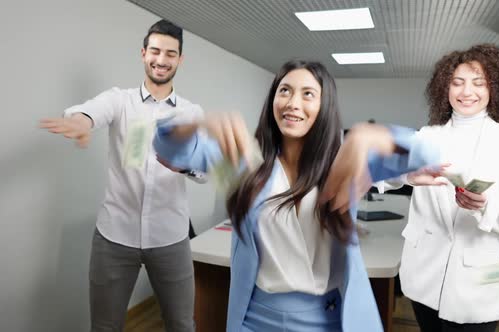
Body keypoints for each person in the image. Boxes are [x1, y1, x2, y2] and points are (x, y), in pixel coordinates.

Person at [153, 59, 439, 331]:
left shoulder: (345, 161)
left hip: (329, 320)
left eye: (308, 94)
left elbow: (429, 153)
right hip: (254, 319)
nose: (293, 103)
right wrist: (198, 125)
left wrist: (372, 134)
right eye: (285, 91)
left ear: (324, 105)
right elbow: (165, 147)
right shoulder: (245, 159)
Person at [39, 20, 199, 332]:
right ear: (143, 53)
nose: (161, 60)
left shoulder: (191, 113)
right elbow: (89, 111)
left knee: (182, 325)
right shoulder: (119, 100)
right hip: (114, 236)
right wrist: (81, 122)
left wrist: (184, 164)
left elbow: (204, 170)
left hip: (170, 237)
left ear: (180, 60)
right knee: (104, 327)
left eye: (170, 53)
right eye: (155, 51)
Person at [389, 44, 499, 331]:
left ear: (495, 88)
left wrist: (486, 206)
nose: (467, 92)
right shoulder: (425, 137)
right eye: (458, 83)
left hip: (477, 285)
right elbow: (376, 175)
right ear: (445, 88)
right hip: (423, 276)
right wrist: (407, 177)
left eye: (479, 83)